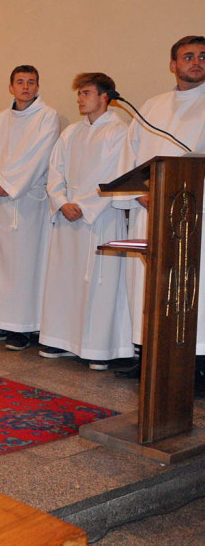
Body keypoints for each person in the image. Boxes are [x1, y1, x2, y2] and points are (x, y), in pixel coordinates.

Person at [113, 35, 205, 393]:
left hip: (196, 214)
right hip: (150, 210)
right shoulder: (151, 106)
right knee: (147, 286)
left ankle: (196, 361)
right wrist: (140, 193)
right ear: (173, 64)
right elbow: (129, 156)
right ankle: (147, 355)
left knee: (192, 286)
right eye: (188, 57)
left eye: (201, 56)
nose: (195, 62)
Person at [38, 73, 133, 369]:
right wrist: (61, 201)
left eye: (86, 92)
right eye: (79, 93)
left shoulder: (119, 131)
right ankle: (62, 340)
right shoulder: (72, 133)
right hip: (68, 214)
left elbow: (115, 173)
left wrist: (84, 205)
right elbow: (56, 170)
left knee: (97, 282)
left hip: (100, 216)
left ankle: (96, 348)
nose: (80, 98)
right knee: (65, 280)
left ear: (105, 97)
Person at [0, 66, 60, 351]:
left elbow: (39, 156)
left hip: (28, 204)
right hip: (0, 203)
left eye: (31, 82)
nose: (25, 87)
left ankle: (25, 328)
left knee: (25, 266)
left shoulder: (48, 117)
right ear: (10, 87)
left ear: (38, 86)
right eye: (20, 82)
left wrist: (9, 184)